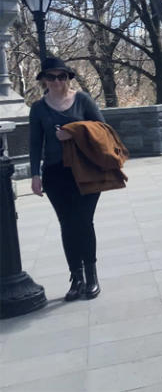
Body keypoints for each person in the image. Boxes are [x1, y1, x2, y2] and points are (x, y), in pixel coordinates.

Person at [29, 57, 106, 301]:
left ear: (68, 78)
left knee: (84, 221)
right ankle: (76, 277)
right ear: (43, 80)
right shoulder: (38, 108)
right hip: (55, 173)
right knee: (67, 224)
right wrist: (35, 175)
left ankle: (92, 276)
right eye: (50, 77)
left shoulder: (82, 100)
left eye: (61, 76)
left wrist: (73, 132)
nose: (56, 81)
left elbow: (103, 129)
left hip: (86, 171)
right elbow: (34, 143)